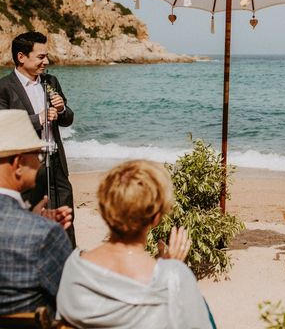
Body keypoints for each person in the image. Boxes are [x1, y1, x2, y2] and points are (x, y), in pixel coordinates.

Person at [56, 160, 215, 328]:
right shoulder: (173, 278)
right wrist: (172, 270)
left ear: (104, 211)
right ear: (156, 218)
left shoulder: (74, 268)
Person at [0, 31, 76, 246]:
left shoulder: (51, 81)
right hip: (26, 166)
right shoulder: (4, 87)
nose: (46, 61)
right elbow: (3, 126)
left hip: (56, 161)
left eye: (46, 56)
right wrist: (39, 118)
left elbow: (68, 119)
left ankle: (67, 258)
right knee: (31, 212)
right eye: (41, 57)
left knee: (66, 214)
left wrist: (61, 110)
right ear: (21, 57)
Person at [0, 110, 73, 315]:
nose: (40, 162)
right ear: (17, 164)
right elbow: (73, 301)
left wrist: (30, 217)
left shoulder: (38, 229)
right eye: (37, 154)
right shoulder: (44, 235)